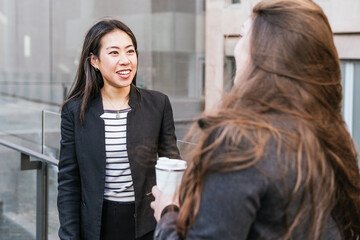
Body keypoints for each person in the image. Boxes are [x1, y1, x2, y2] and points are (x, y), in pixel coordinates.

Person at [150, 0, 360, 239]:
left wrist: (168, 214)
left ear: (262, 55)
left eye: (242, 34)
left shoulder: (241, 142)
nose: (237, 46)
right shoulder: (328, 135)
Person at [57, 19, 180, 240]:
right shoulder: (75, 111)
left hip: (147, 224)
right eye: (114, 53)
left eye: (130, 51)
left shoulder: (158, 104)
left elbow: (171, 166)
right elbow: (68, 181)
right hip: (96, 225)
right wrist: (69, 235)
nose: (125, 61)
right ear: (94, 60)